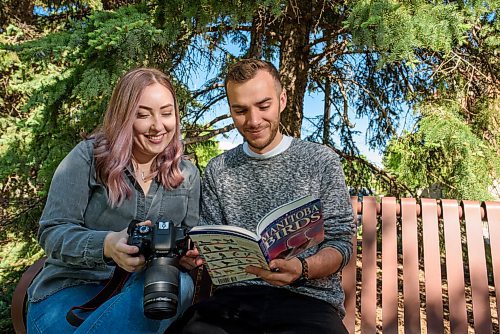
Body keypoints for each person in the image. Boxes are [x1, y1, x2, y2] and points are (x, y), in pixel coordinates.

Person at [172, 59, 355, 334]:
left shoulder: (320, 161)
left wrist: (302, 268)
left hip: (308, 302)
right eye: (241, 110)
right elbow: (208, 244)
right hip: (232, 305)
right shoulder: (218, 170)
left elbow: (341, 243)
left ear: (282, 100)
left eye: (263, 105)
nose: (254, 120)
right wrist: (195, 256)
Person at [27, 68, 201, 333]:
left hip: (148, 290)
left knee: (182, 283)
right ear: (124, 116)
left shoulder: (187, 174)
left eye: (167, 113)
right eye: (143, 114)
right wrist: (107, 245)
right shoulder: (88, 157)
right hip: (70, 291)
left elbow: (190, 238)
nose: (158, 126)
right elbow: (52, 232)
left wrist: (188, 255)